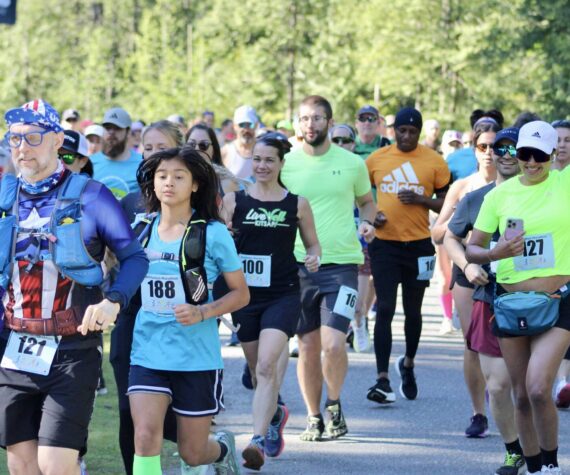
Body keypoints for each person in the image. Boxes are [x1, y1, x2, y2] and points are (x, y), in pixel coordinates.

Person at [0, 99, 148, 475]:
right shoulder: (4, 196)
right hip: (14, 350)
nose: (21, 147)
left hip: (72, 348)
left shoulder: (91, 195)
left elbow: (135, 258)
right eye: (14, 139)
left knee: (56, 466)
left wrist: (114, 301)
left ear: (56, 141)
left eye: (32, 138)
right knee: (22, 468)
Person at [128, 146, 249, 475]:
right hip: (148, 351)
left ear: (195, 184)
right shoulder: (140, 231)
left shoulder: (213, 233)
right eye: (162, 176)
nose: (169, 183)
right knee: (144, 436)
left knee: (193, 453)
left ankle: (222, 447)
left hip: (196, 356)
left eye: (179, 177)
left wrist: (203, 312)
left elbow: (241, 294)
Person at [466, 121, 570, 475]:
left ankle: (553, 465)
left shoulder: (565, 182)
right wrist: (498, 252)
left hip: (558, 300)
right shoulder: (499, 196)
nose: (531, 162)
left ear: (552, 155)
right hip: (511, 305)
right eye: (524, 154)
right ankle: (536, 466)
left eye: (539, 155)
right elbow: (472, 247)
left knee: (539, 387)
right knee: (522, 397)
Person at [281, 95, 376, 441]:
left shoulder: (351, 163)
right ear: (297, 123)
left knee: (334, 343)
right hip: (298, 265)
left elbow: (367, 202)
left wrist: (368, 223)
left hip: (342, 266)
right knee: (306, 346)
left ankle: (334, 402)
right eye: (304, 118)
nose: (310, 125)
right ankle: (313, 415)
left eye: (317, 118)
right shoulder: (286, 163)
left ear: (330, 121)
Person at [222, 134, 320, 470]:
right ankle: (276, 412)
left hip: (283, 293)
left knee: (266, 366)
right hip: (245, 296)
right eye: (258, 159)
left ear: (281, 164)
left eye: (269, 160)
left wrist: (313, 258)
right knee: (254, 370)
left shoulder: (297, 203)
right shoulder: (234, 201)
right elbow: (219, 244)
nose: (262, 166)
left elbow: (313, 245)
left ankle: (257, 440)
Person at [444, 127, 526, 475]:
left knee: (530, 388)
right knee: (498, 383)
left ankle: (539, 451)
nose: (504, 154)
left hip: (537, 297)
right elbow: (449, 237)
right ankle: (513, 450)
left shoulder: (546, 195)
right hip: (490, 297)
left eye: (512, 148)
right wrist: (467, 265)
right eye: (497, 147)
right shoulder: (476, 198)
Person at [111, 120, 184, 475]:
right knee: (129, 408)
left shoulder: (192, 201)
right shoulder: (128, 202)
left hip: (177, 315)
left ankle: (206, 450)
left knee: (176, 411)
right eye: (148, 148)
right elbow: (111, 253)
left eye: (161, 148)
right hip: (132, 312)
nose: (153, 155)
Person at [365, 107, 450, 404]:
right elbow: (361, 197)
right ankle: (382, 379)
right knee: (385, 308)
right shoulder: (376, 159)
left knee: (413, 313)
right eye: (401, 130)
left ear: (420, 132)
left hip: (419, 245)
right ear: (393, 130)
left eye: (412, 132)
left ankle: (408, 363)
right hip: (385, 245)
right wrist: (372, 216)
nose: (406, 136)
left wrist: (421, 199)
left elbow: (446, 203)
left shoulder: (434, 161)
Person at [431, 120, 500, 435]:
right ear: (474, 150)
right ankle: (478, 413)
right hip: (467, 270)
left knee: (505, 341)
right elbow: (437, 233)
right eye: (482, 146)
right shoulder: (464, 188)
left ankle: (499, 391)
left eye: (495, 147)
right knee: (473, 343)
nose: (488, 153)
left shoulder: (513, 187)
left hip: (505, 270)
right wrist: (460, 221)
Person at [330, 124, 372, 352]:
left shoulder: (358, 168)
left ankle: (360, 322)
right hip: (329, 246)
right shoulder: (321, 168)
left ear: (353, 144)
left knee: (358, 301)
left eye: (345, 140)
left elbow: (369, 203)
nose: (340, 145)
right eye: (335, 140)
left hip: (357, 243)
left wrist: (368, 222)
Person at [551, 119, 570, 409]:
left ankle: (562, 383)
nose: (563, 146)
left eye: (568, 140)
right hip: (545, 266)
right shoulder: (536, 177)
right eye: (558, 140)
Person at [91, 107, 142, 199]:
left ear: (128, 132)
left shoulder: (142, 164)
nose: (111, 132)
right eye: (107, 128)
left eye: (117, 128)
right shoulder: (89, 163)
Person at [222, 105, 258, 180]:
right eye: (242, 125)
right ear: (235, 126)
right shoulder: (225, 152)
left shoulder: (264, 150)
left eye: (250, 124)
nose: (246, 129)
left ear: (256, 125)